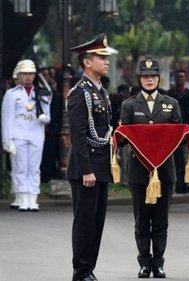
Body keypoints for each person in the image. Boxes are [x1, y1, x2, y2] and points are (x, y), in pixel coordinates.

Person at [120, 58, 181, 278]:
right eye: (145, 76)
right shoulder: (129, 105)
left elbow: (179, 135)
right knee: (142, 219)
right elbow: (124, 137)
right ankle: (144, 262)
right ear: (139, 78)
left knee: (161, 219)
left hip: (164, 170)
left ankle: (159, 263)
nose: (149, 80)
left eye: (153, 76)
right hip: (139, 170)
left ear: (158, 78)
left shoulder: (170, 103)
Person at [67, 33, 113, 281]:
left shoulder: (102, 92)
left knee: (97, 222)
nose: (106, 61)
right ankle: (81, 270)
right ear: (87, 61)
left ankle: (89, 269)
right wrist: (86, 170)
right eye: (101, 57)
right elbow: (78, 135)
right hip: (86, 169)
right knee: (84, 222)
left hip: (101, 166)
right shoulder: (79, 93)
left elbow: (105, 131)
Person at [2, 59, 51, 211]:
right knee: (21, 167)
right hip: (19, 133)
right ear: (19, 75)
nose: (28, 77)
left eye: (31, 74)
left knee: (34, 168)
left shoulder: (41, 92)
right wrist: (7, 139)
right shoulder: (11, 94)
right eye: (25, 74)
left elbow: (47, 114)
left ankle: (33, 198)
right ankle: (23, 197)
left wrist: (45, 117)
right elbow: (7, 118)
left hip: (36, 133)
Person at [167, 69, 189, 193]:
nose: (180, 79)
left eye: (182, 77)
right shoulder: (170, 94)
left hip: (185, 129)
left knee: (185, 158)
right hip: (172, 131)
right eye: (178, 77)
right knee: (173, 158)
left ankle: (184, 185)